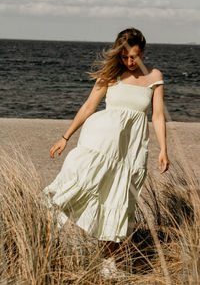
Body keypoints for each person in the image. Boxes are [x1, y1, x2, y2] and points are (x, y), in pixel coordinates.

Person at [41, 27, 170, 278]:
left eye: (134, 56)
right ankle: (46, 227)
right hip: (101, 142)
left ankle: (108, 264)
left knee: (119, 202)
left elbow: (156, 116)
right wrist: (65, 137)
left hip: (131, 151)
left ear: (143, 51)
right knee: (80, 182)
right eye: (124, 57)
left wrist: (163, 149)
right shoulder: (111, 75)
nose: (130, 62)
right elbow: (89, 106)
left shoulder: (154, 76)